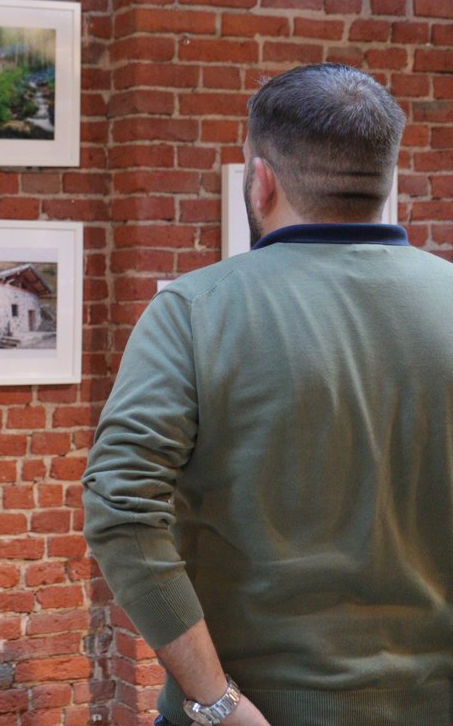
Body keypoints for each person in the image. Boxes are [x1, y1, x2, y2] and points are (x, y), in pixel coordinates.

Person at [83, 63, 453, 726]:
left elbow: (121, 509)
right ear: (387, 178)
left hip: (257, 710)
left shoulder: (195, 311)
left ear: (260, 180)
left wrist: (215, 701)